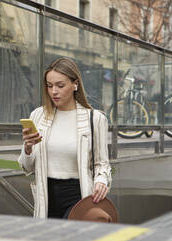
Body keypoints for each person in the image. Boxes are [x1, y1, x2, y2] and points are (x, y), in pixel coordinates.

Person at [18, 57, 112, 219]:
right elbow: (26, 168)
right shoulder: (38, 116)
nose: (54, 91)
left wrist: (102, 181)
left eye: (60, 85)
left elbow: (102, 163)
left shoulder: (95, 119)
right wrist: (28, 148)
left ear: (75, 84)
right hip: (45, 196)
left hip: (78, 195)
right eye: (49, 86)